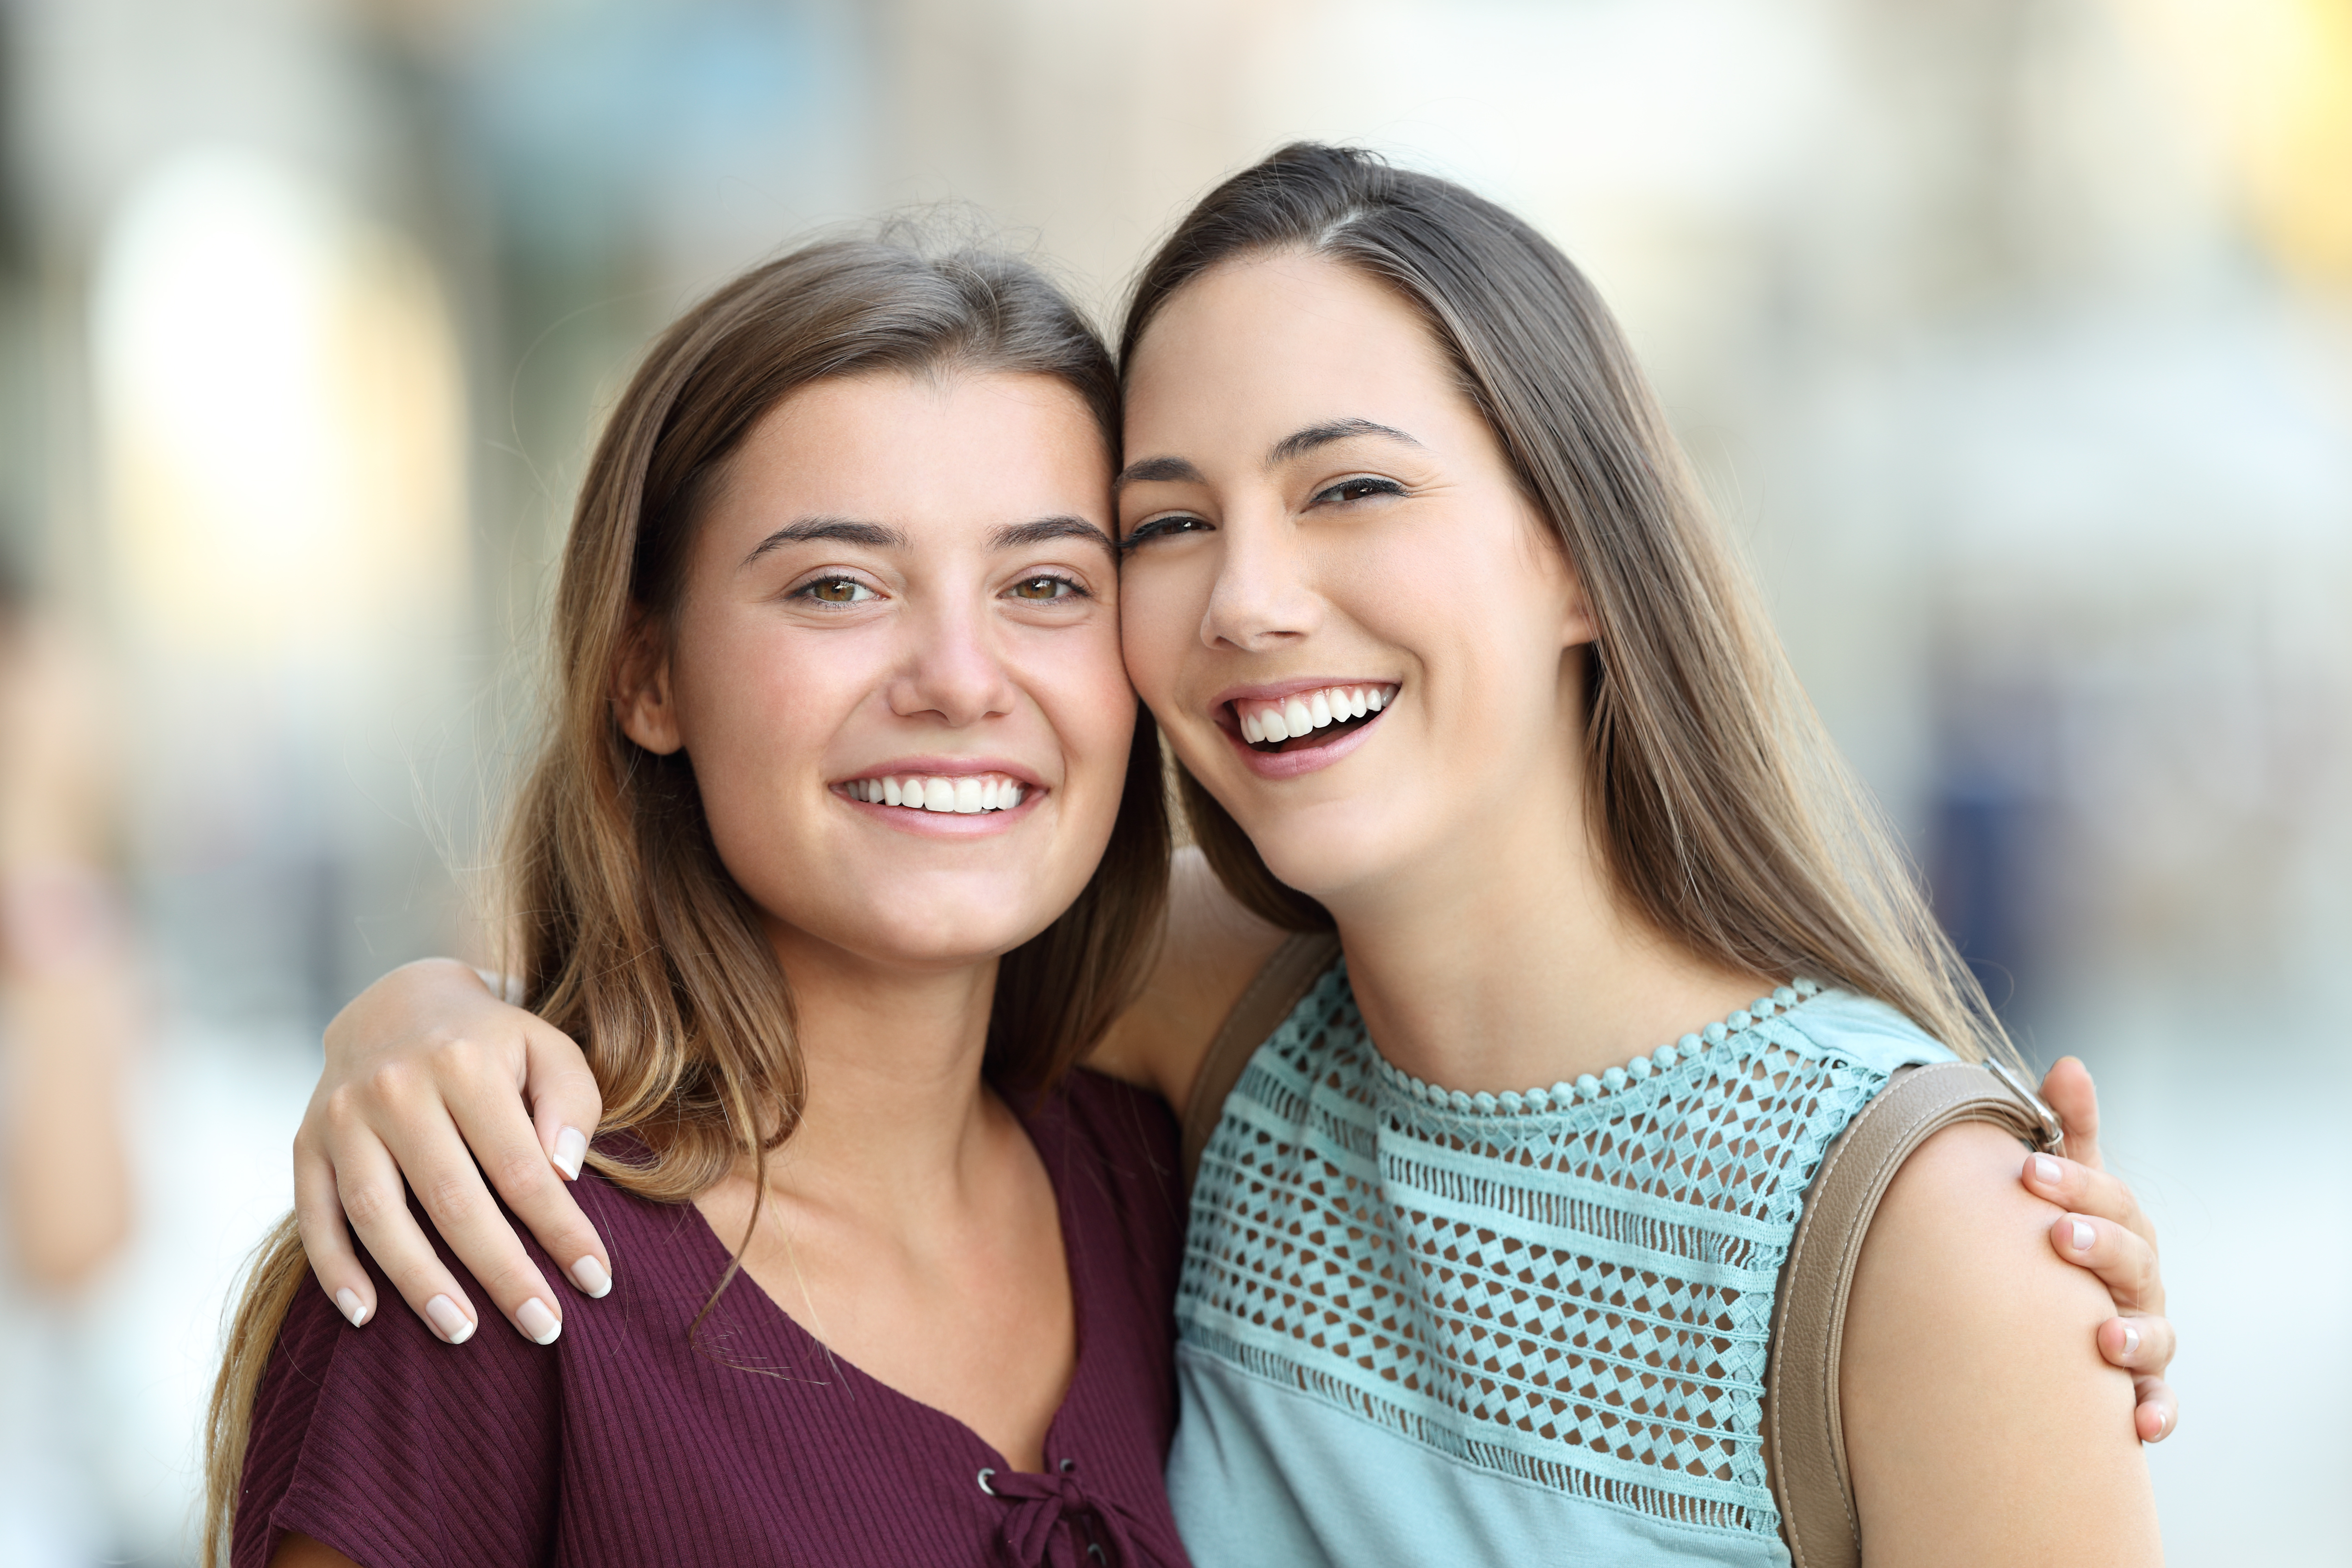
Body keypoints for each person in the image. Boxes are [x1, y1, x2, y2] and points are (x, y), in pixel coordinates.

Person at [286, 149, 2174, 1564]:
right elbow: (801, 970)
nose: (1255, 600)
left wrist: (1983, 1288)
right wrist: (415, 1019)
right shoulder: (1209, 1030)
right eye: (1165, 523)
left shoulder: (1922, 1245)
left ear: (1586, 556)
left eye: (1351, 486)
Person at [204, 236, 1191, 1568]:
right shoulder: (487, 1248)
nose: (961, 679)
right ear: (647, 676)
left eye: (1047, 586)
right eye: (837, 586)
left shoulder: (1168, 1190)